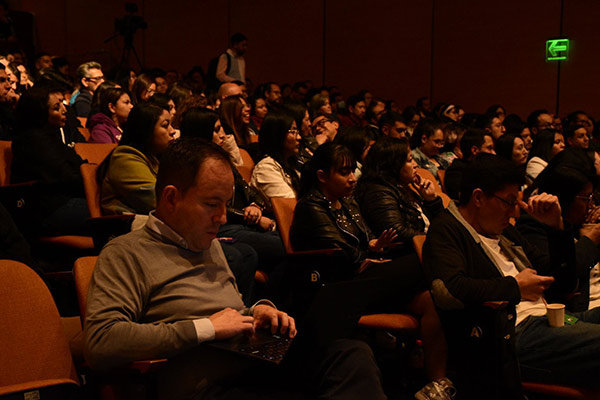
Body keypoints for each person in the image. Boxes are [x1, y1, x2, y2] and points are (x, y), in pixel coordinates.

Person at [84, 138, 387, 400]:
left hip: (252, 363)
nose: (222, 216)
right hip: (205, 384)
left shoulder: (207, 243)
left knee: (350, 354)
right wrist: (206, 328)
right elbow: (101, 341)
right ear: (171, 198)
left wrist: (257, 311)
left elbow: (228, 311)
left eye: (226, 204)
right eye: (211, 204)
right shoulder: (126, 254)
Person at [421, 153, 600, 398]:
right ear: (478, 197)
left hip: (550, 319)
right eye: (508, 201)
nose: (514, 210)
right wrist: (514, 287)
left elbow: (564, 283)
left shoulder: (505, 232)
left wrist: (556, 229)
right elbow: (448, 291)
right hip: (511, 336)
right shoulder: (447, 230)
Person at [290, 142, 454, 400]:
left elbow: (365, 240)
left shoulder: (347, 205)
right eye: (344, 173)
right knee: (421, 262)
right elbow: (340, 253)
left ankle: (435, 383)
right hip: (337, 288)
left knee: (432, 299)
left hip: (365, 276)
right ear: (322, 176)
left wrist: (375, 248)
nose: (352, 178)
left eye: (352, 171)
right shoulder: (311, 206)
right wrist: (368, 254)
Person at [518, 152, 600, 312]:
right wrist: (590, 240)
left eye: (592, 197)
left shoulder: (584, 221)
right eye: (586, 198)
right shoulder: (532, 224)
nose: (591, 204)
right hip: (582, 310)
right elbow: (560, 281)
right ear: (565, 197)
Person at [11, 85, 89, 236]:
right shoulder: (32, 140)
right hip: (47, 208)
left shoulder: (50, 137)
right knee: (114, 215)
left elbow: (78, 166)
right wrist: (92, 184)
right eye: (56, 107)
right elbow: (66, 176)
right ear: (39, 113)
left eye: (62, 104)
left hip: (66, 199)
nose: (64, 110)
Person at [355, 137, 445, 253]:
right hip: (406, 256)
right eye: (410, 160)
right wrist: (438, 240)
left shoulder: (402, 187)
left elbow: (441, 223)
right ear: (393, 164)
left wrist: (431, 200)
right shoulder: (378, 192)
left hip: (426, 248)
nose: (415, 164)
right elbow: (397, 232)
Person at [99, 102, 175, 215]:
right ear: (145, 130)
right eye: (165, 125)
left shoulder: (155, 156)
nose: (172, 131)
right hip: (126, 226)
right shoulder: (124, 158)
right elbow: (159, 201)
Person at [250, 110, 301, 203]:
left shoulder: (292, 163)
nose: (299, 137)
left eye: (297, 131)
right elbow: (289, 205)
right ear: (277, 134)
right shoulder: (266, 168)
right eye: (292, 131)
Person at [444, 129, 495, 200]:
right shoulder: (456, 171)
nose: (494, 153)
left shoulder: (489, 170)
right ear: (474, 150)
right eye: (489, 148)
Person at [409, 118, 449, 184]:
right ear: (424, 139)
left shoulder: (440, 158)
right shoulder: (413, 157)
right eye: (436, 141)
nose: (440, 146)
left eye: (442, 142)